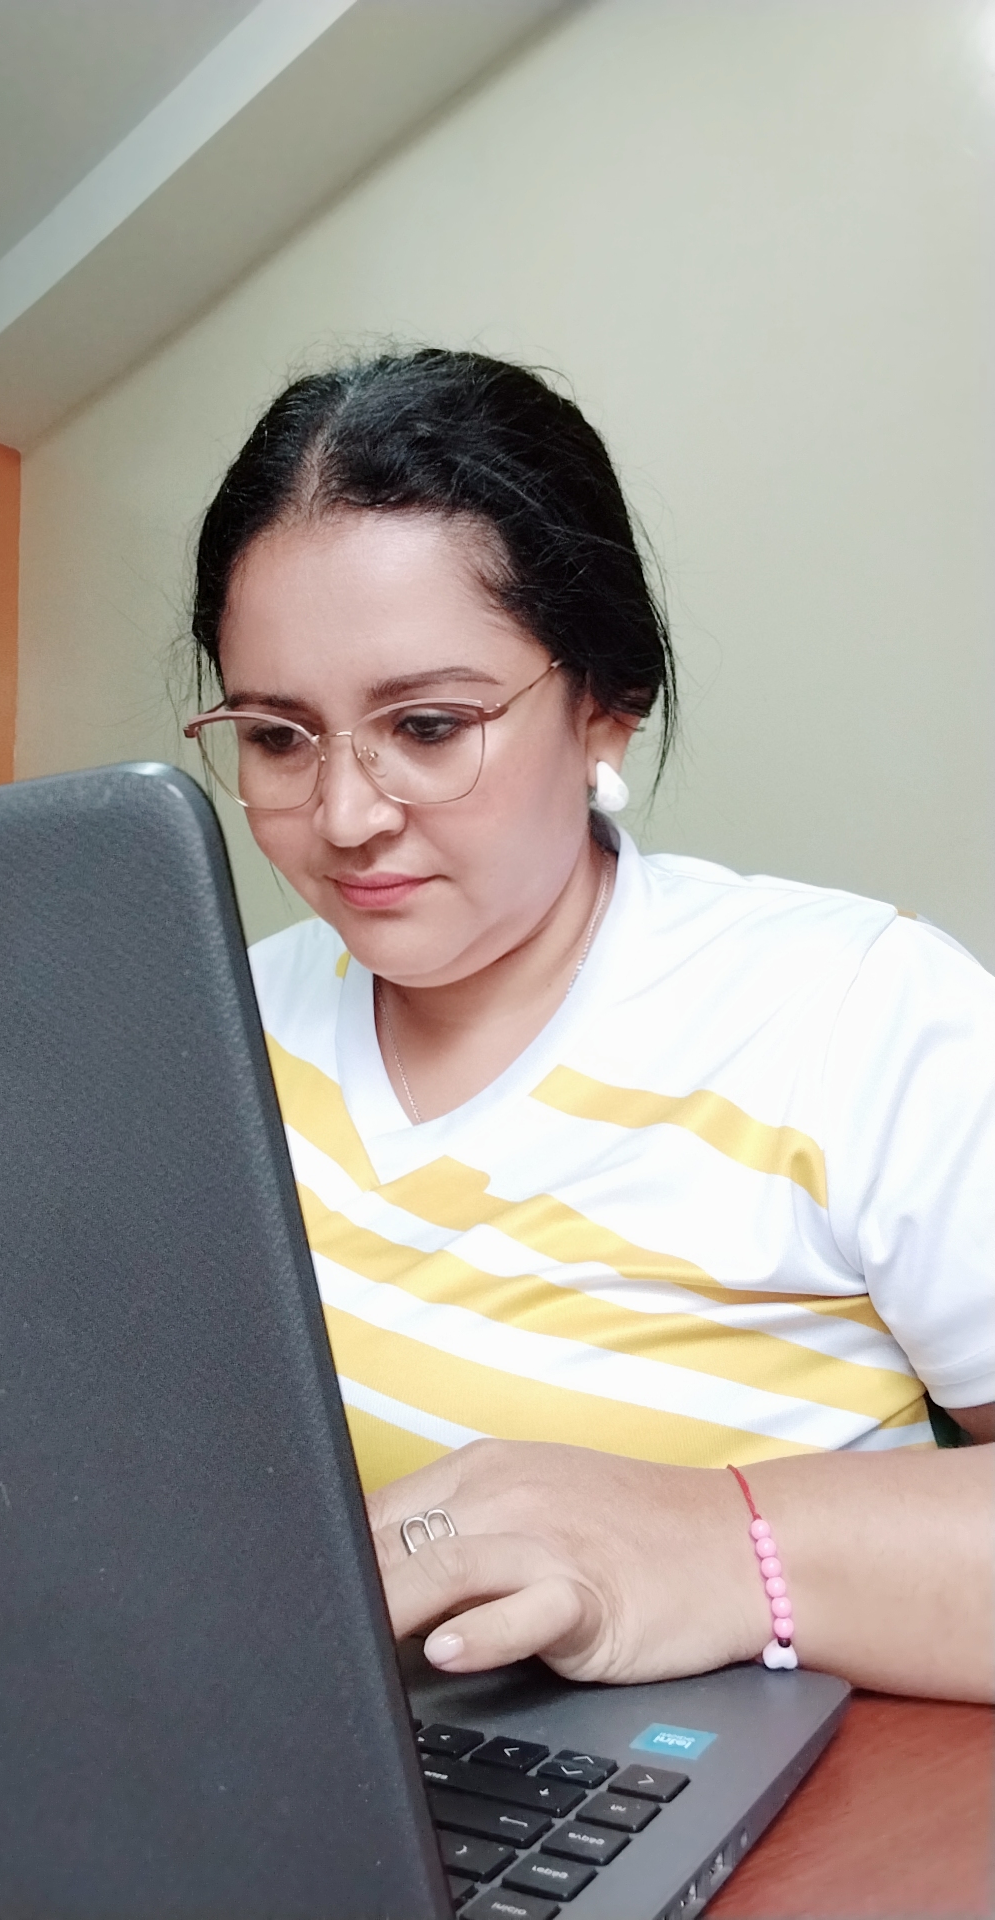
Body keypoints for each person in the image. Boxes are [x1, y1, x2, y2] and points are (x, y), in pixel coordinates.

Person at [185, 348, 993, 1704]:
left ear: (605, 708)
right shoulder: (215, 1026)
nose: (346, 816)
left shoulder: (857, 1014)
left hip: (745, 1803)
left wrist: (712, 1542)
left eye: (427, 725)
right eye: (278, 736)